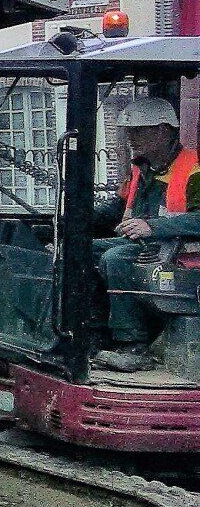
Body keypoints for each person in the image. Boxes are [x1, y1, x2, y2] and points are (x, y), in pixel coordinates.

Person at [92, 96, 200, 371]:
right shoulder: (142, 169)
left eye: (139, 130)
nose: (131, 138)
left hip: (180, 254)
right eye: (129, 131)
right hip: (147, 245)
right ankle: (91, 333)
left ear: (164, 130)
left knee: (115, 259)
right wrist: (75, 218)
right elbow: (118, 205)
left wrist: (153, 227)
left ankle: (133, 345)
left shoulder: (194, 169)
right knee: (79, 250)